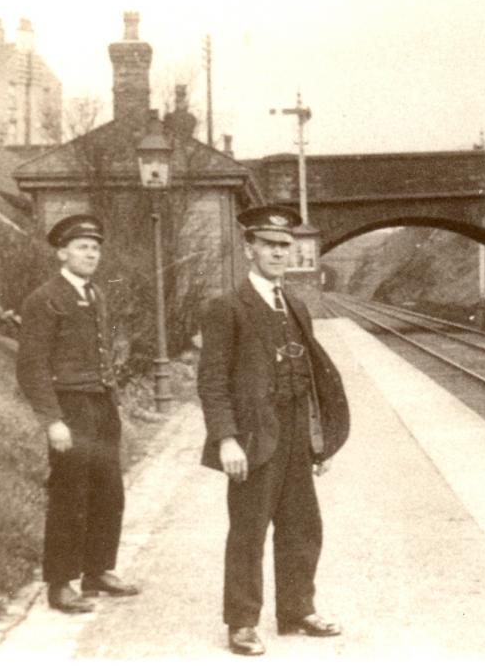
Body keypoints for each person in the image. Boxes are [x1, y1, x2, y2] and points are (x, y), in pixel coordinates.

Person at [197, 205, 350, 657]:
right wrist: (225, 437)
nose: (280, 253)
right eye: (270, 245)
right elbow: (212, 380)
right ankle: (242, 622)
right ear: (250, 249)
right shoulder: (226, 307)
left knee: (303, 525)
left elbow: (309, 380)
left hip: (296, 436)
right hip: (251, 439)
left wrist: (317, 442)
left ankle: (297, 610)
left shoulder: (296, 305)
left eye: (286, 245)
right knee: (248, 530)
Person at [16, 214, 140, 614]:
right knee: (70, 493)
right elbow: (31, 365)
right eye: (83, 247)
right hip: (70, 406)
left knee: (109, 489)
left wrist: (114, 403)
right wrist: (52, 420)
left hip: (101, 403)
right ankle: (60, 583)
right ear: (62, 252)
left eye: (96, 248)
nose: (91, 253)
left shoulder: (96, 294)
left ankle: (98, 570)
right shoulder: (45, 298)